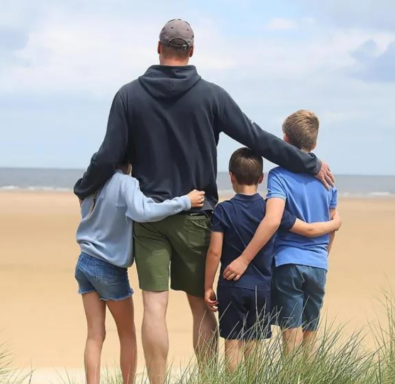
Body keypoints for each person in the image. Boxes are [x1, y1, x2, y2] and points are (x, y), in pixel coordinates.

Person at [73, 19, 334, 384]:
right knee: (199, 304)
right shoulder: (211, 95)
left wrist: (84, 187)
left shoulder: (129, 95)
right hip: (197, 215)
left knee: (154, 306)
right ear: (192, 51)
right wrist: (310, 162)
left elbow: (107, 157)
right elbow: (258, 139)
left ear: (158, 48)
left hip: (149, 219)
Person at [204, 148, 341, 372]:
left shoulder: (223, 210)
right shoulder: (271, 210)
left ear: (231, 176)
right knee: (254, 345)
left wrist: (208, 285)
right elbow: (306, 229)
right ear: (261, 178)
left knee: (232, 343)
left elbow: (215, 253)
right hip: (262, 288)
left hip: (231, 285)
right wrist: (334, 225)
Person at [75, 162, 205, 384]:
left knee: (95, 335)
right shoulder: (126, 183)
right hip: (109, 267)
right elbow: (144, 211)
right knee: (127, 335)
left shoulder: (93, 180)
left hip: (84, 262)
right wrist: (184, 201)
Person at [224, 111, 338, 355]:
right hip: (319, 263)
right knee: (310, 332)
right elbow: (332, 225)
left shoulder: (279, 176)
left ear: (284, 141)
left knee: (291, 335)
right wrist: (322, 256)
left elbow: (273, 219)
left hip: (288, 263)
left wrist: (244, 259)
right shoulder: (328, 179)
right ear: (314, 143)